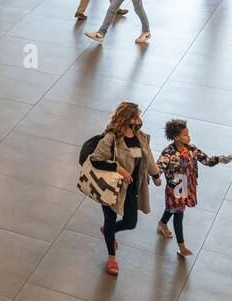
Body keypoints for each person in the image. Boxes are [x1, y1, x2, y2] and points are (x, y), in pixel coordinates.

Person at [89, 101, 160, 277]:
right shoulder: (111, 138)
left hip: (132, 187)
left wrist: (156, 175)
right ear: (128, 118)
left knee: (130, 222)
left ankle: (108, 231)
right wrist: (118, 168)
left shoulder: (140, 137)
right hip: (111, 188)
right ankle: (112, 258)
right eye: (136, 116)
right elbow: (96, 159)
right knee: (111, 220)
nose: (139, 119)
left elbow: (148, 157)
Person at [156, 119, 229, 258]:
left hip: (188, 185)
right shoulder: (168, 153)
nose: (189, 137)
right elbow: (159, 166)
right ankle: (182, 247)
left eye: (188, 134)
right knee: (178, 213)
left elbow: (206, 160)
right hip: (175, 189)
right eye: (185, 135)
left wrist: (222, 159)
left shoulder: (190, 148)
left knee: (173, 208)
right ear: (176, 137)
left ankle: (162, 223)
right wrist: (155, 177)